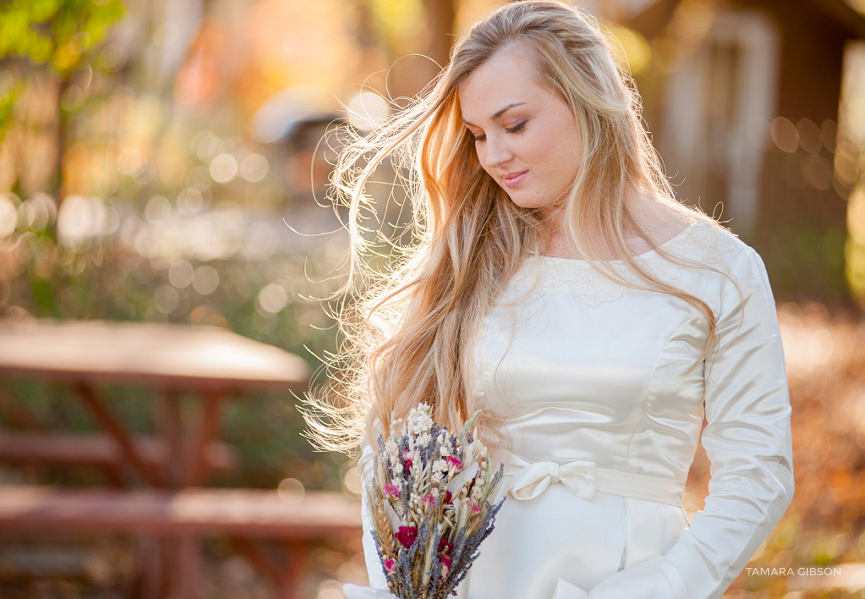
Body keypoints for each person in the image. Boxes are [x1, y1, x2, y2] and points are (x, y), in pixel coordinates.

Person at [300, 1, 794, 598]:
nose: (493, 155)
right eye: (479, 135)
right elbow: (391, 444)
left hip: (629, 581)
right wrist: (406, 582)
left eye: (515, 125)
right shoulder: (469, 259)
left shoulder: (718, 269)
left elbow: (757, 476)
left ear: (587, 98)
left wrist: (660, 589)